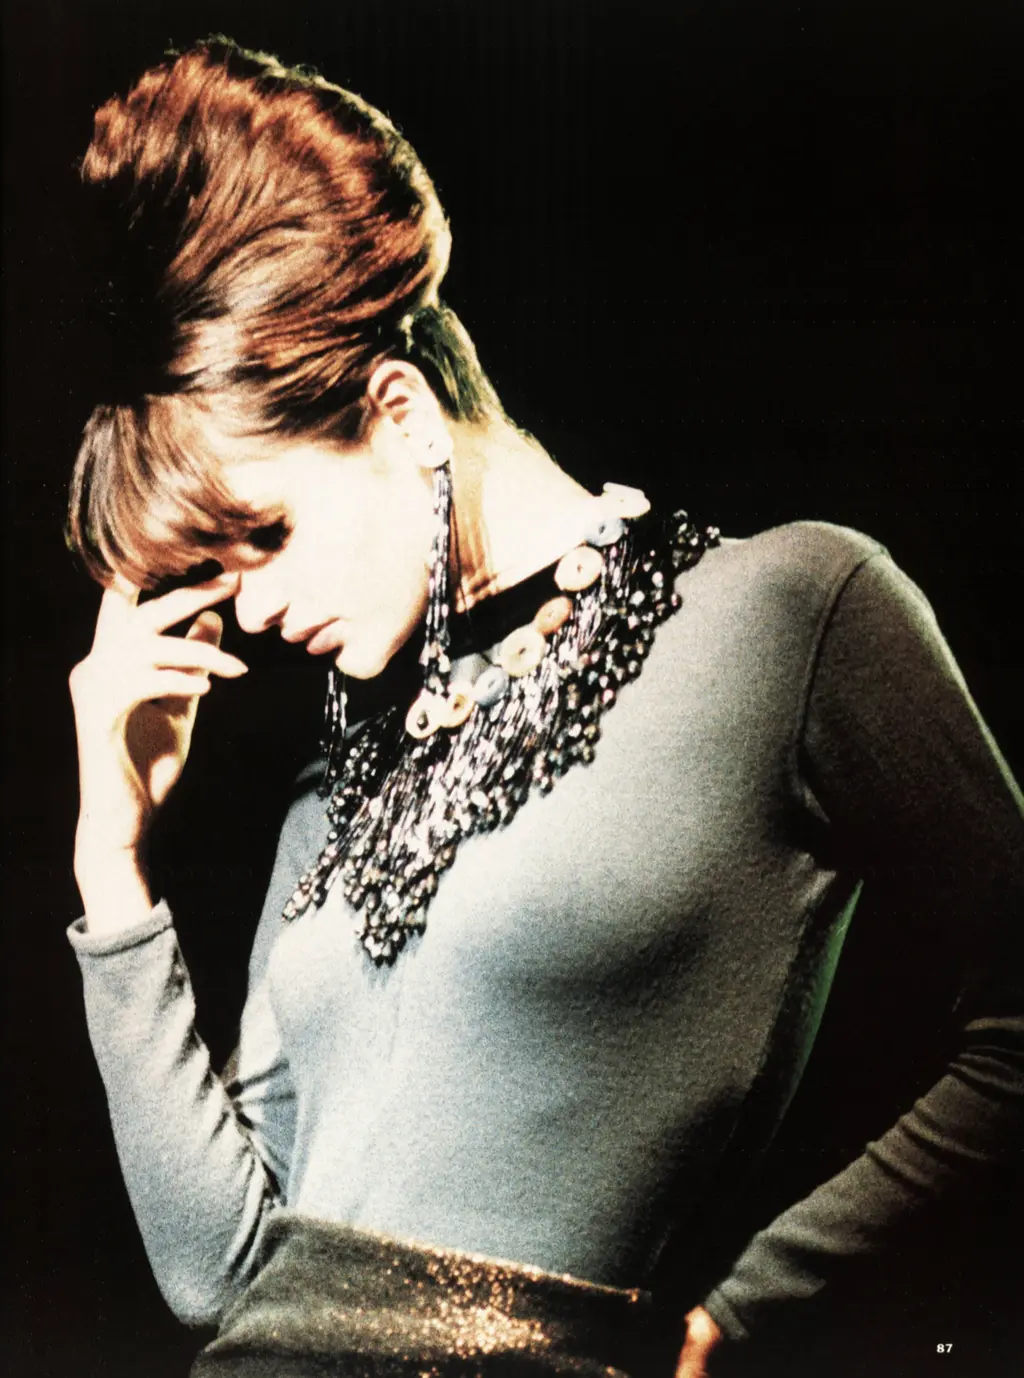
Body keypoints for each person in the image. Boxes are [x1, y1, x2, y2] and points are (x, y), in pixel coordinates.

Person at [66, 38, 1023, 1378]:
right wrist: (110, 865)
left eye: (264, 535)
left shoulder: (790, 612)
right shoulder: (338, 787)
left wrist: (752, 1306)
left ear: (401, 413)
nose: (256, 610)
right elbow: (216, 1276)